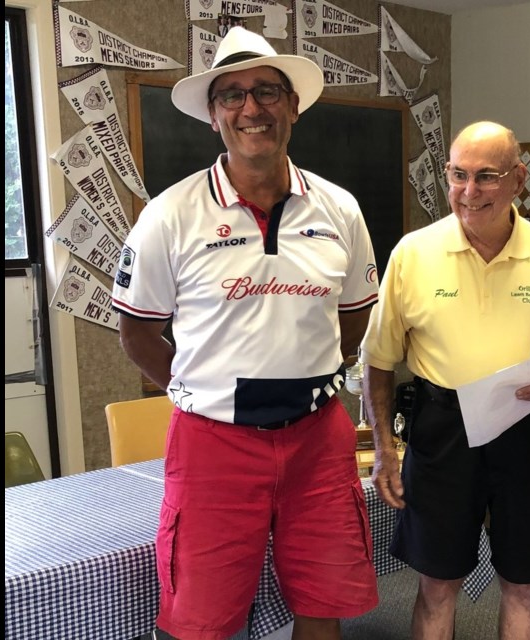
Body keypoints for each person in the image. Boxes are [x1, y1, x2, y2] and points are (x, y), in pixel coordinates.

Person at [110, 26, 379, 640]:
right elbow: (137, 331)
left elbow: (355, 312)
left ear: (293, 106)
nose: (250, 108)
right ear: (213, 115)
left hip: (318, 439)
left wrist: (315, 367)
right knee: (201, 618)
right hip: (213, 445)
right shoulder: (170, 215)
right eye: (231, 96)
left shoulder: (340, 209)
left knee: (323, 598)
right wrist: (200, 388)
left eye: (266, 91)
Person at [360, 120, 530, 640]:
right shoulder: (412, 254)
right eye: (458, 175)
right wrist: (384, 448)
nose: (470, 192)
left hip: (527, 428)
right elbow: (378, 360)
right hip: (441, 430)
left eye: (487, 176)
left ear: (518, 179)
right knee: (436, 583)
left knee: (523, 583)